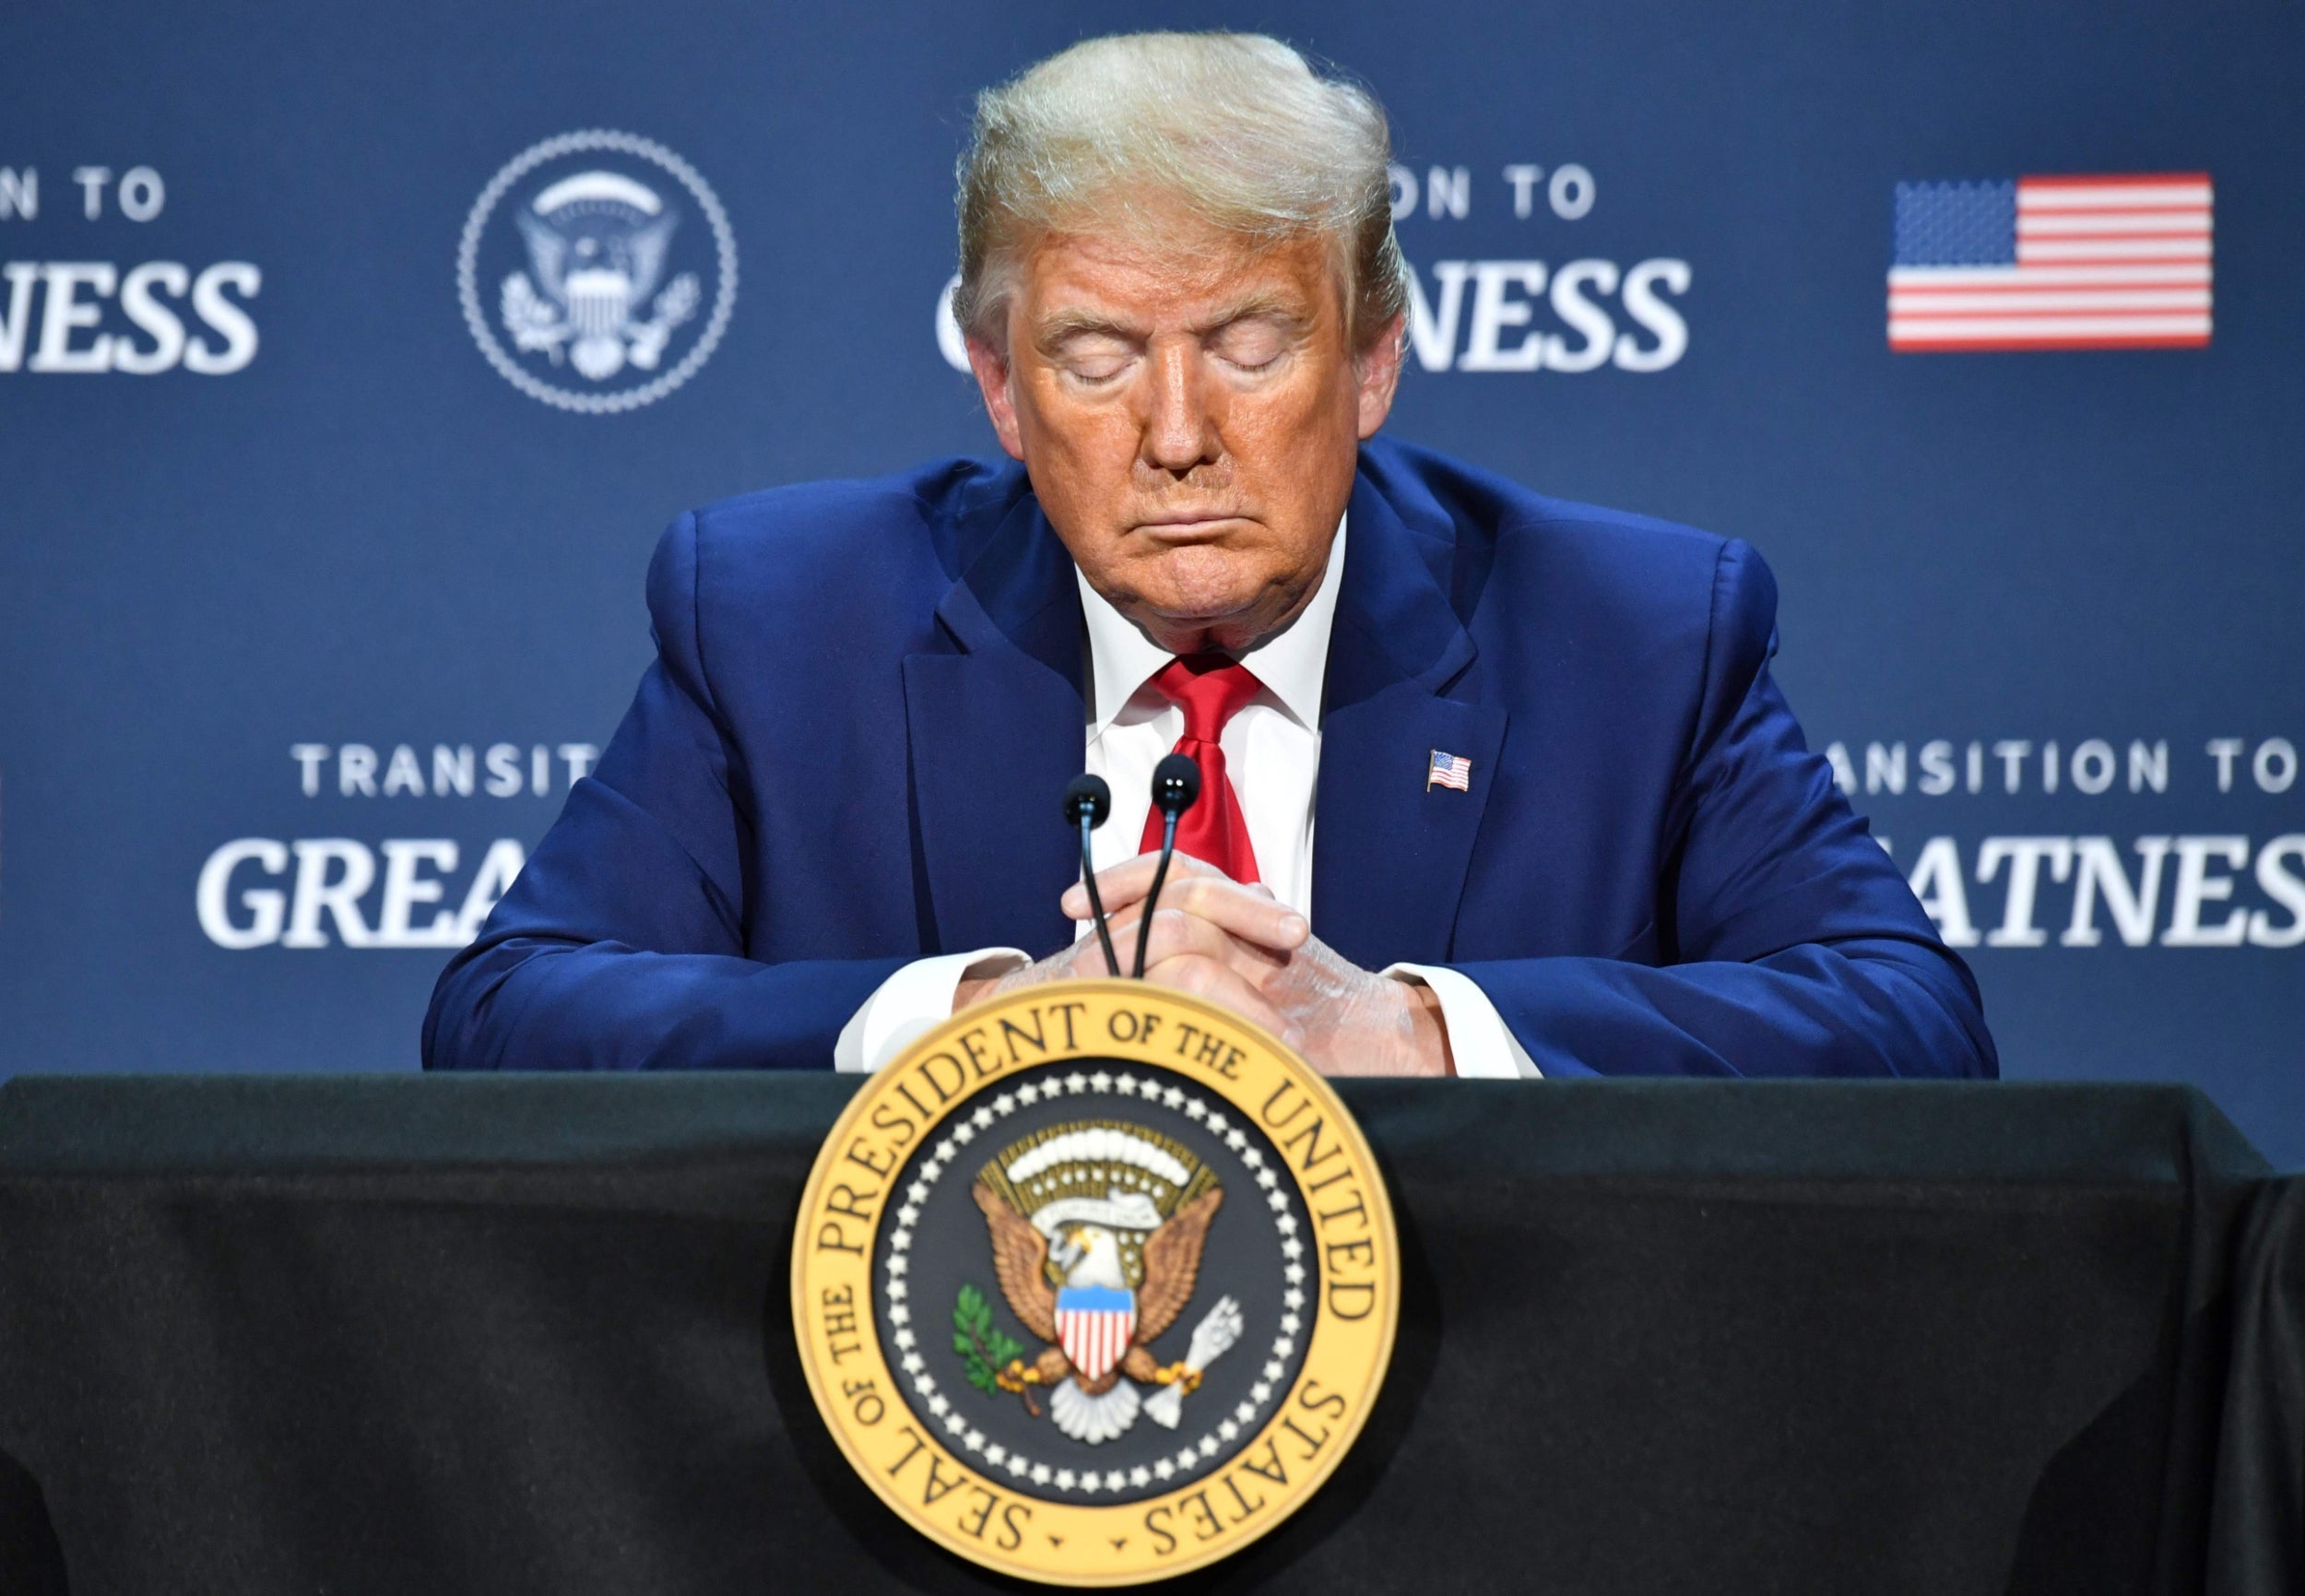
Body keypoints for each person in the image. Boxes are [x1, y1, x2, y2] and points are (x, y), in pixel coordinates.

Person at [423, 32, 1995, 1082]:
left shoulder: (1636, 637)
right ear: (1002, 390)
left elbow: (1912, 1026)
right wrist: (970, 1020)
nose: (1177, 432)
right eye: (1099, 355)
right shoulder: (782, 619)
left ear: (1372, 362)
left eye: (1249, 344)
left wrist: (1416, 1034)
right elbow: (504, 1015)